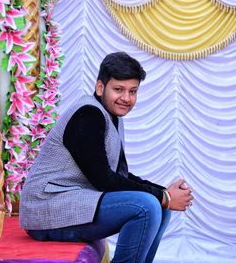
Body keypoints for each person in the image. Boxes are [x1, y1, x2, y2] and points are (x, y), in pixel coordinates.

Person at [19, 52, 194, 263]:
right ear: (100, 87)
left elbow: (120, 175)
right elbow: (103, 179)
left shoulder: (111, 116)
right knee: (147, 206)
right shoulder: (88, 115)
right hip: (47, 209)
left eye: (133, 91)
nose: (126, 98)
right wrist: (163, 196)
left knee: (159, 207)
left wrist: (163, 194)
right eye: (118, 89)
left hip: (71, 202)